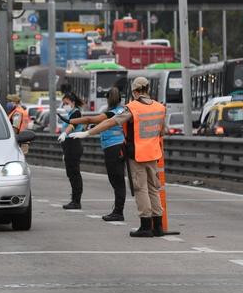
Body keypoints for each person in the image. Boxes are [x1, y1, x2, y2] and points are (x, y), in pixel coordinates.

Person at [71, 77, 166, 238]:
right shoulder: (159, 107)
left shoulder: (132, 108)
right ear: (148, 89)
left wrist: (87, 132)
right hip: (154, 153)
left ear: (135, 92)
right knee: (153, 189)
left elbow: (110, 122)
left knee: (140, 188)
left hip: (137, 154)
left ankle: (145, 225)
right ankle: (157, 226)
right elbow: (161, 132)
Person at [66, 87, 127, 221]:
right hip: (120, 147)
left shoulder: (112, 113)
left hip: (113, 148)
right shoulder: (122, 111)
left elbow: (89, 119)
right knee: (118, 180)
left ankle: (118, 211)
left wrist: (70, 121)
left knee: (117, 181)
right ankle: (118, 210)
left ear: (108, 99)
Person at [55, 92, 85, 209]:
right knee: (71, 173)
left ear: (72, 102)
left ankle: (76, 201)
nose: (65, 105)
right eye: (63, 103)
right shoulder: (71, 113)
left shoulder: (76, 113)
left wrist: (64, 133)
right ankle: (74, 199)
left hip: (73, 144)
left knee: (74, 174)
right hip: (69, 146)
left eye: (66, 103)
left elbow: (71, 126)